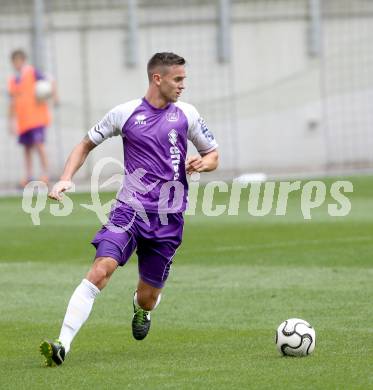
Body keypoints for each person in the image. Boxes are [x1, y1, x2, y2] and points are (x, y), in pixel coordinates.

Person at [40, 52, 219, 367]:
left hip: (169, 219)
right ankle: (62, 344)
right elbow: (85, 143)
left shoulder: (187, 114)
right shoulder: (125, 113)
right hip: (130, 211)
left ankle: (142, 309)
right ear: (157, 78)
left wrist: (203, 163)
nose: (183, 86)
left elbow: (213, 153)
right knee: (101, 269)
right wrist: (65, 178)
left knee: (147, 296)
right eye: (178, 79)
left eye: (184, 79)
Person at [7, 49, 54, 187]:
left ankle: (46, 174)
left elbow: (49, 80)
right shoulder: (13, 80)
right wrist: (11, 121)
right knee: (27, 148)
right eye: (14, 61)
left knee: (39, 145)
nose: (16, 63)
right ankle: (28, 176)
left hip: (37, 118)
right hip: (23, 121)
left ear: (23, 60)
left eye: (18, 60)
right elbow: (12, 102)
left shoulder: (32, 72)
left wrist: (51, 95)